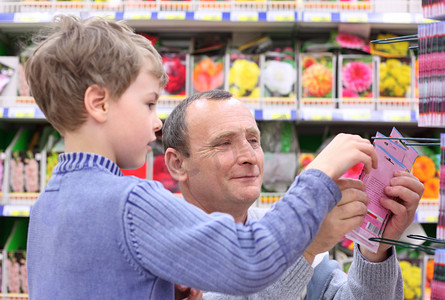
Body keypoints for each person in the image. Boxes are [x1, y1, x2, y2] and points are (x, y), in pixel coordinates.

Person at [24, 16, 379, 299]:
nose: (157, 120)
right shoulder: (130, 202)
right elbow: (250, 261)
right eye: (149, 103)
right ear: (99, 103)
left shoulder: (45, 206)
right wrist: (318, 175)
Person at [162, 89, 424, 299]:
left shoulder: (276, 222)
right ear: (177, 164)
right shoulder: (156, 243)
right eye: (223, 143)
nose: (249, 156)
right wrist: (304, 246)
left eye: (253, 140)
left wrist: (374, 248)